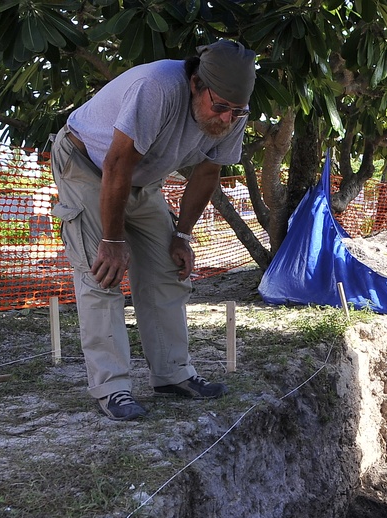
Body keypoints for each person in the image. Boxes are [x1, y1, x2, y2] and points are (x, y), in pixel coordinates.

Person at [50, 40, 255, 420]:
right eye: (220, 107)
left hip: (140, 179)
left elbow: (208, 170)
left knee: (166, 269)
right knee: (103, 274)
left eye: (236, 110)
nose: (227, 119)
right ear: (195, 84)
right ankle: (112, 388)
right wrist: (112, 241)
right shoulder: (158, 88)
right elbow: (116, 163)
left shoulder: (235, 113)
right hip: (88, 164)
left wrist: (183, 236)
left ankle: (172, 374)